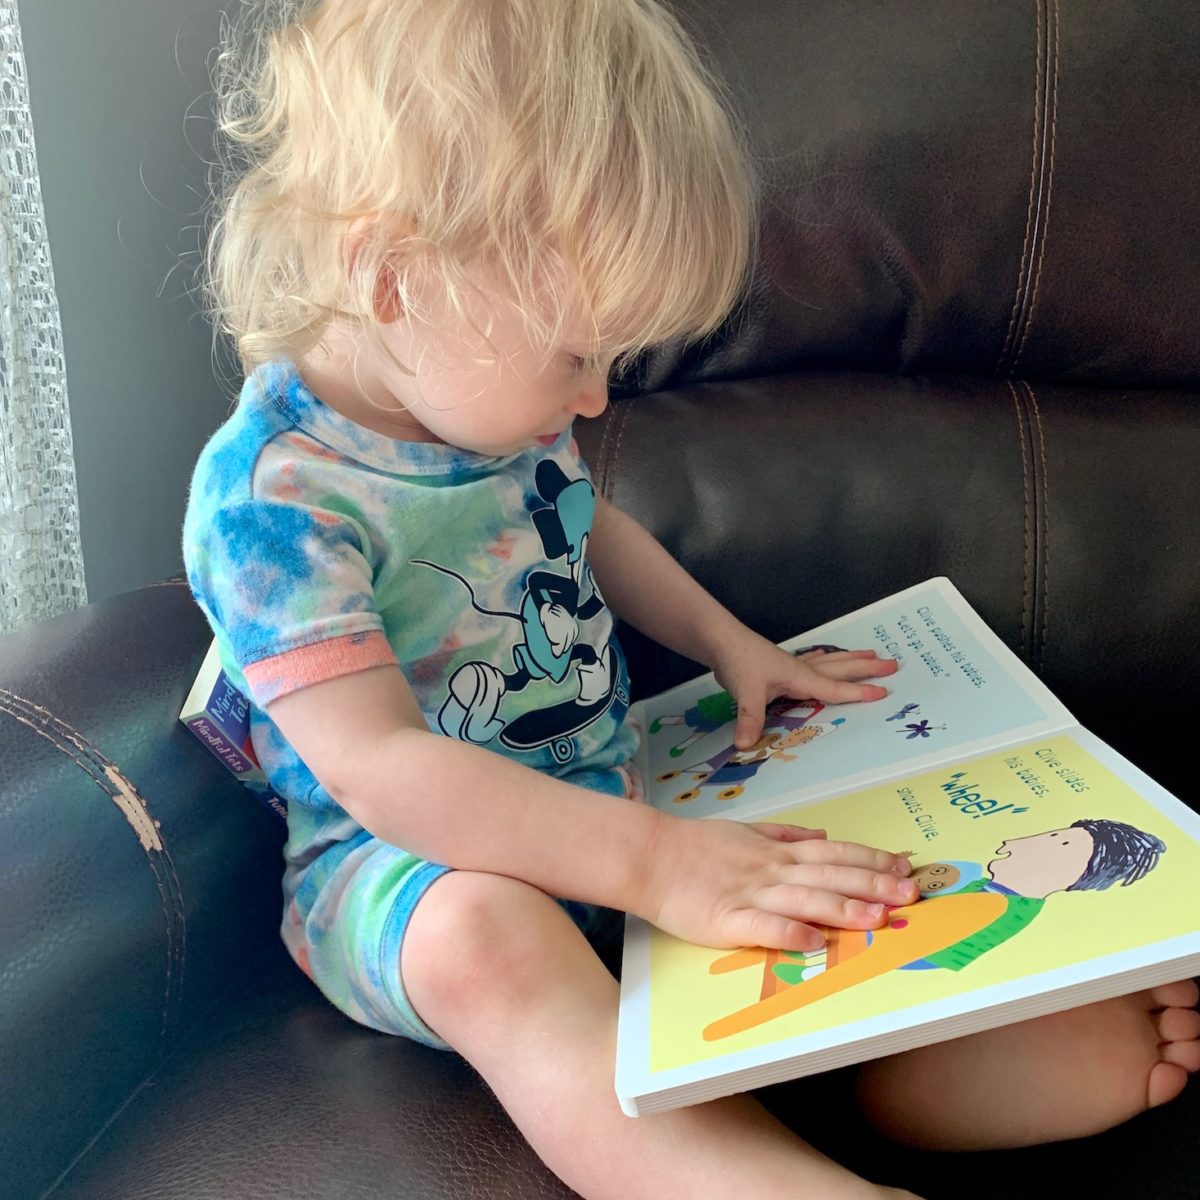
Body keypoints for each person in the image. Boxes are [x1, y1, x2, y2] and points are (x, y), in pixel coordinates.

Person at [183, 3, 1199, 1197]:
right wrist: (656, 865)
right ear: (391, 276)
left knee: (809, 881)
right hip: (405, 874)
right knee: (486, 936)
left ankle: (914, 1062)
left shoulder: (484, 413)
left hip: (620, 806)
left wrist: (732, 647)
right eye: (577, 356)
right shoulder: (275, 501)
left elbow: (590, 530)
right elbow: (379, 774)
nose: (601, 400)